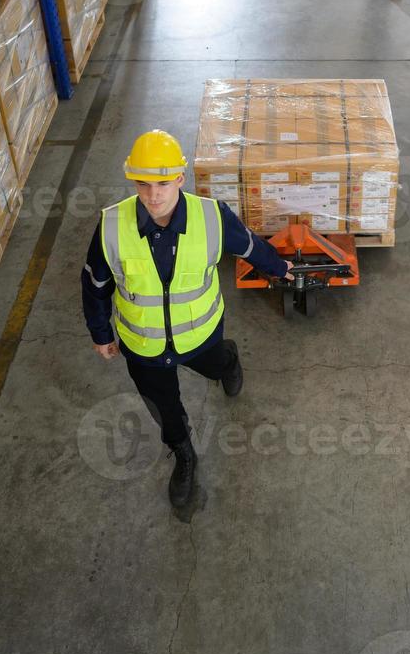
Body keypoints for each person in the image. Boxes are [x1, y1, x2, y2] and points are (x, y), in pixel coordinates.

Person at [81, 129, 293, 509]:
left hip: (201, 336)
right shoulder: (111, 226)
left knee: (215, 365)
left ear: (180, 178)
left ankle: (228, 362)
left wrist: (278, 267)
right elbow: (95, 282)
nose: (153, 195)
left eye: (163, 182)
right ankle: (183, 454)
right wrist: (100, 332)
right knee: (164, 406)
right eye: (143, 184)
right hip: (143, 347)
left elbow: (248, 246)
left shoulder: (211, 217)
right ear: (132, 181)